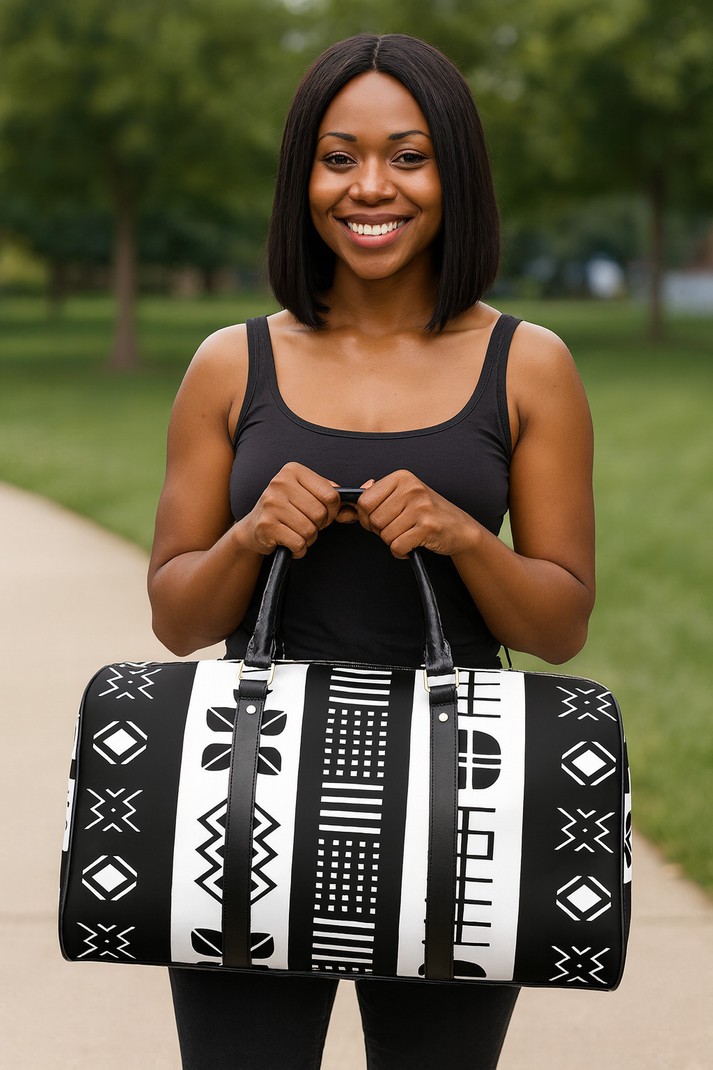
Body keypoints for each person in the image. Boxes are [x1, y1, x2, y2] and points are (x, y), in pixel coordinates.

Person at [147, 32, 595, 1070]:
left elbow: (560, 625)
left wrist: (462, 536)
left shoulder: (528, 364)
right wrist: (252, 533)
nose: (370, 188)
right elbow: (175, 617)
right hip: (247, 803)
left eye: (407, 155)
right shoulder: (230, 363)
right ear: (301, 178)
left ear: (454, 173)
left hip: (455, 809)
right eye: (338, 157)